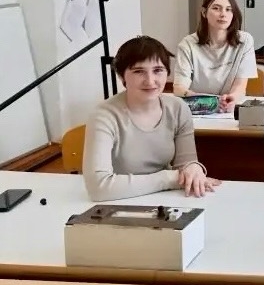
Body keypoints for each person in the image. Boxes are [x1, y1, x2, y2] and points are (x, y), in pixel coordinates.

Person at [82, 36, 221, 202]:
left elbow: (185, 166)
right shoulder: (104, 115)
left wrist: (193, 168)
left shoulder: (178, 108)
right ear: (122, 76)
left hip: (166, 200)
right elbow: (98, 188)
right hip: (117, 202)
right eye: (138, 71)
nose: (150, 81)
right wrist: (169, 178)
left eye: (158, 70)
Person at [173, 0, 257, 112]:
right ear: (204, 12)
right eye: (216, 8)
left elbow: (240, 86)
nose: (223, 14)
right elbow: (179, 88)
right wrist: (208, 102)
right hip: (198, 108)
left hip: (229, 108)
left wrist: (232, 98)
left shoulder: (244, 41)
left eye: (228, 9)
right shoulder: (187, 44)